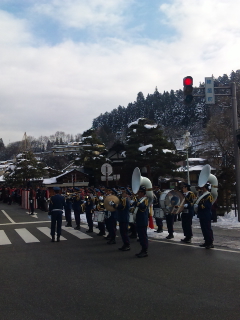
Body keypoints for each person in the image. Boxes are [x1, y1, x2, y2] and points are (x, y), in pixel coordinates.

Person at [195, 183, 214, 249]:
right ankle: (206, 241)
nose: (201, 188)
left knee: (207, 228)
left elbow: (207, 206)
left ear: (205, 187)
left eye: (203, 187)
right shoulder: (202, 195)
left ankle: (210, 242)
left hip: (206, 214)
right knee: (203, 228)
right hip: (202, 214)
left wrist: (199, 206)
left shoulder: (208, 195)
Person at [133, 186, 149, 258]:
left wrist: (137, 202)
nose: (138, 193)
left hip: (142, 220)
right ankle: (142, 250)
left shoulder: (145, 199)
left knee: (143, 236)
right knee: (140, 236)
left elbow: (143, 207)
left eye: (139, 192)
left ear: (142, 193)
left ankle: (144, 251)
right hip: (139, 220)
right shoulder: (140, 199)